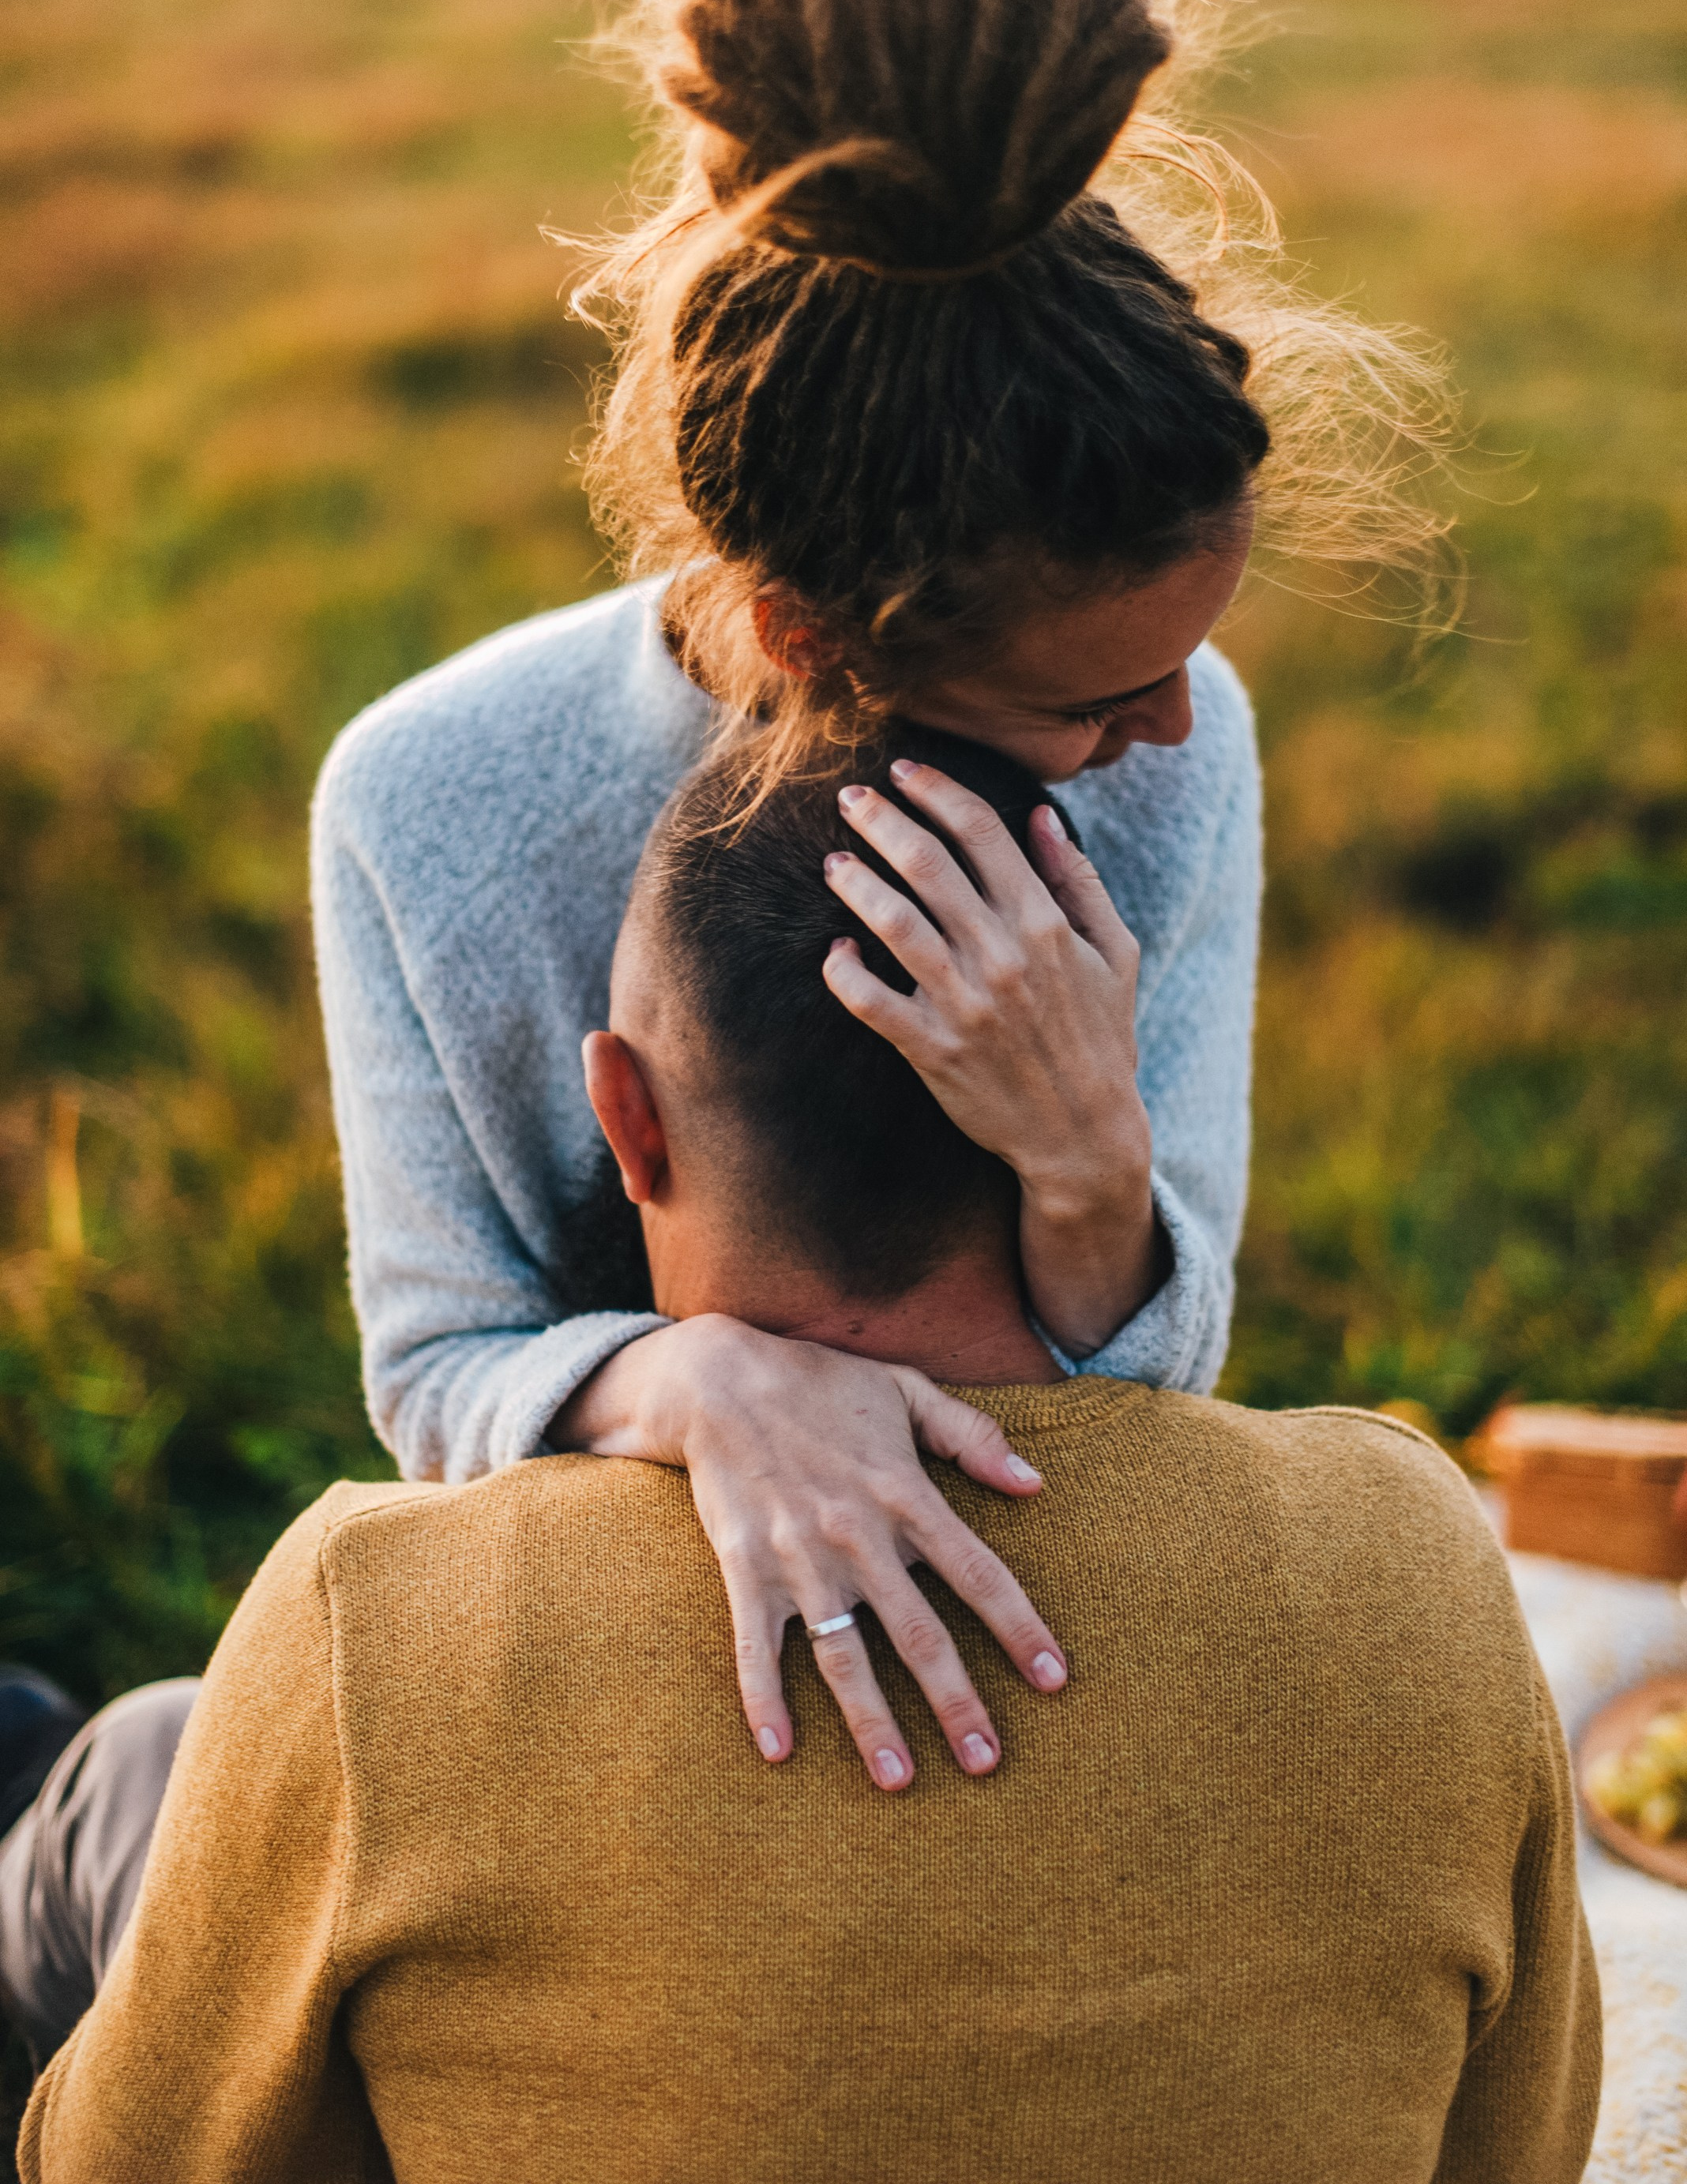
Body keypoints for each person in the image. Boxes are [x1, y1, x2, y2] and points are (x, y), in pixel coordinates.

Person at [14, 734, 1595, 2182]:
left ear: (625, 1118)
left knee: (140, 1768)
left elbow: (113, 2165)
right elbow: (1518, 2149)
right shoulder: (1417, 1556)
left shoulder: (372, 1622)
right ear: (1095, 1088)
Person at [310, 0, 1448, 1777]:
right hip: (606, 1657)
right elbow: (437, 1368)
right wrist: (705, 1384)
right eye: (1090, 699)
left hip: (1042, 1615)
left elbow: (1170, 1373)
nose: (1177, 733)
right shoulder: (432, 801)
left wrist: (1095, 1172)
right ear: (806, 629)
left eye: (1189, 659)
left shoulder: (1187, 763)